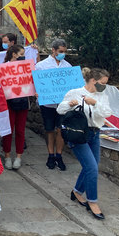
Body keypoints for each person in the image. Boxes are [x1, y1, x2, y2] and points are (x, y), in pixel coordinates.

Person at [57, 68, 112, 220]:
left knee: (91, 166)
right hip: (78, 134)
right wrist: (70, 104)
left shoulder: (102, 96)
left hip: (94, 134)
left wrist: (95, 103)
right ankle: (92, 202)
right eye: (102, 83)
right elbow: (60, 110)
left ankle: (76, 192)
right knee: (92, 168)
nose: (104, 86)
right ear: (93, 81)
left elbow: (107, 113)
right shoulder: (74, 92)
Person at [35, 39, 72, 170]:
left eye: (64, 52)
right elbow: (36, 84)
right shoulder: (41, 65)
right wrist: (37, 92)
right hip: (48, 104)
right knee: (49, 130)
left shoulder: (67, 66)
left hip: (63, 105)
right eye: (60, 51)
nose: (63, 54)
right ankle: (51, 155)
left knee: (60, 130)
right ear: (53, 50)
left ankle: (59, 155)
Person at [2, 45, 29, 169]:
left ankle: (18, 156)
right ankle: (7, 155)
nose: (23, 56)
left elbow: (30, 82)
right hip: (8, 103)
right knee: (8, 130)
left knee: (20, 130)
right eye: (21, 53)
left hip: (22, 101)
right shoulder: (3, 67)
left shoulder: (25, 67)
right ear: (14, 54)